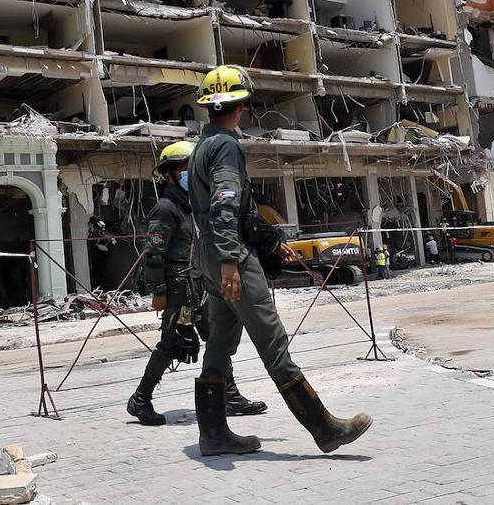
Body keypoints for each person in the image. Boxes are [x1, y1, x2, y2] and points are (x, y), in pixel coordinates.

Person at [189, 65, 372, 456]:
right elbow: (225, 205)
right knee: (272, 341)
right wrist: (229, 261)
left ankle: (213, 434)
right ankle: (324, 428)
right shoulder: (225, 146)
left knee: (220, 343)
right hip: (229, 251)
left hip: (207, 251)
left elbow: (222, 210)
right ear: (240, 105)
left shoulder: (200, 146)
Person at [127, 141, 266, 426]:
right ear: (170, 174)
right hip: (177, 288)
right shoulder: (165, 209)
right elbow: (153, 254)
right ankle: (140, 399)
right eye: (186, 169)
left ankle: (230, 395)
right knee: (169, 345)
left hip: (199, 287)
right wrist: (159, 291)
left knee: (217, 340)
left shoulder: (193, 208)